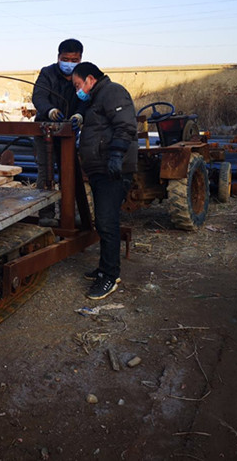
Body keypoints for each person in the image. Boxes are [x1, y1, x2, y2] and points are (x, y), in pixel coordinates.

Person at [70, 61, 138, 300]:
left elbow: (126, 125)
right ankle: (104, 268)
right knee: (102, 221)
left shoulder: (112, 92)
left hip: (113, 170)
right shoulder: (96, 98)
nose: (77, 89)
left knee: (107, 222)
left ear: (90, 79)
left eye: (78, 84)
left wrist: (116, 155)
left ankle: (110, 276)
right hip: (101, 169)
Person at [31, 38, 83, 225]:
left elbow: (87, 99)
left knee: (69, 172)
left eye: (74, 60)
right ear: (58, 57)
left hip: (69, 132)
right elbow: (38, 96)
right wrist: (50, 110)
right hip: (45, 130)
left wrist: (80, 115)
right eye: (65, 59)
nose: (69, 64)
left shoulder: (83, 75)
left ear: (80, 59)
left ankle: (69, 213)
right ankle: (46, 215)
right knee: (45, 172)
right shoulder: (47, 73)